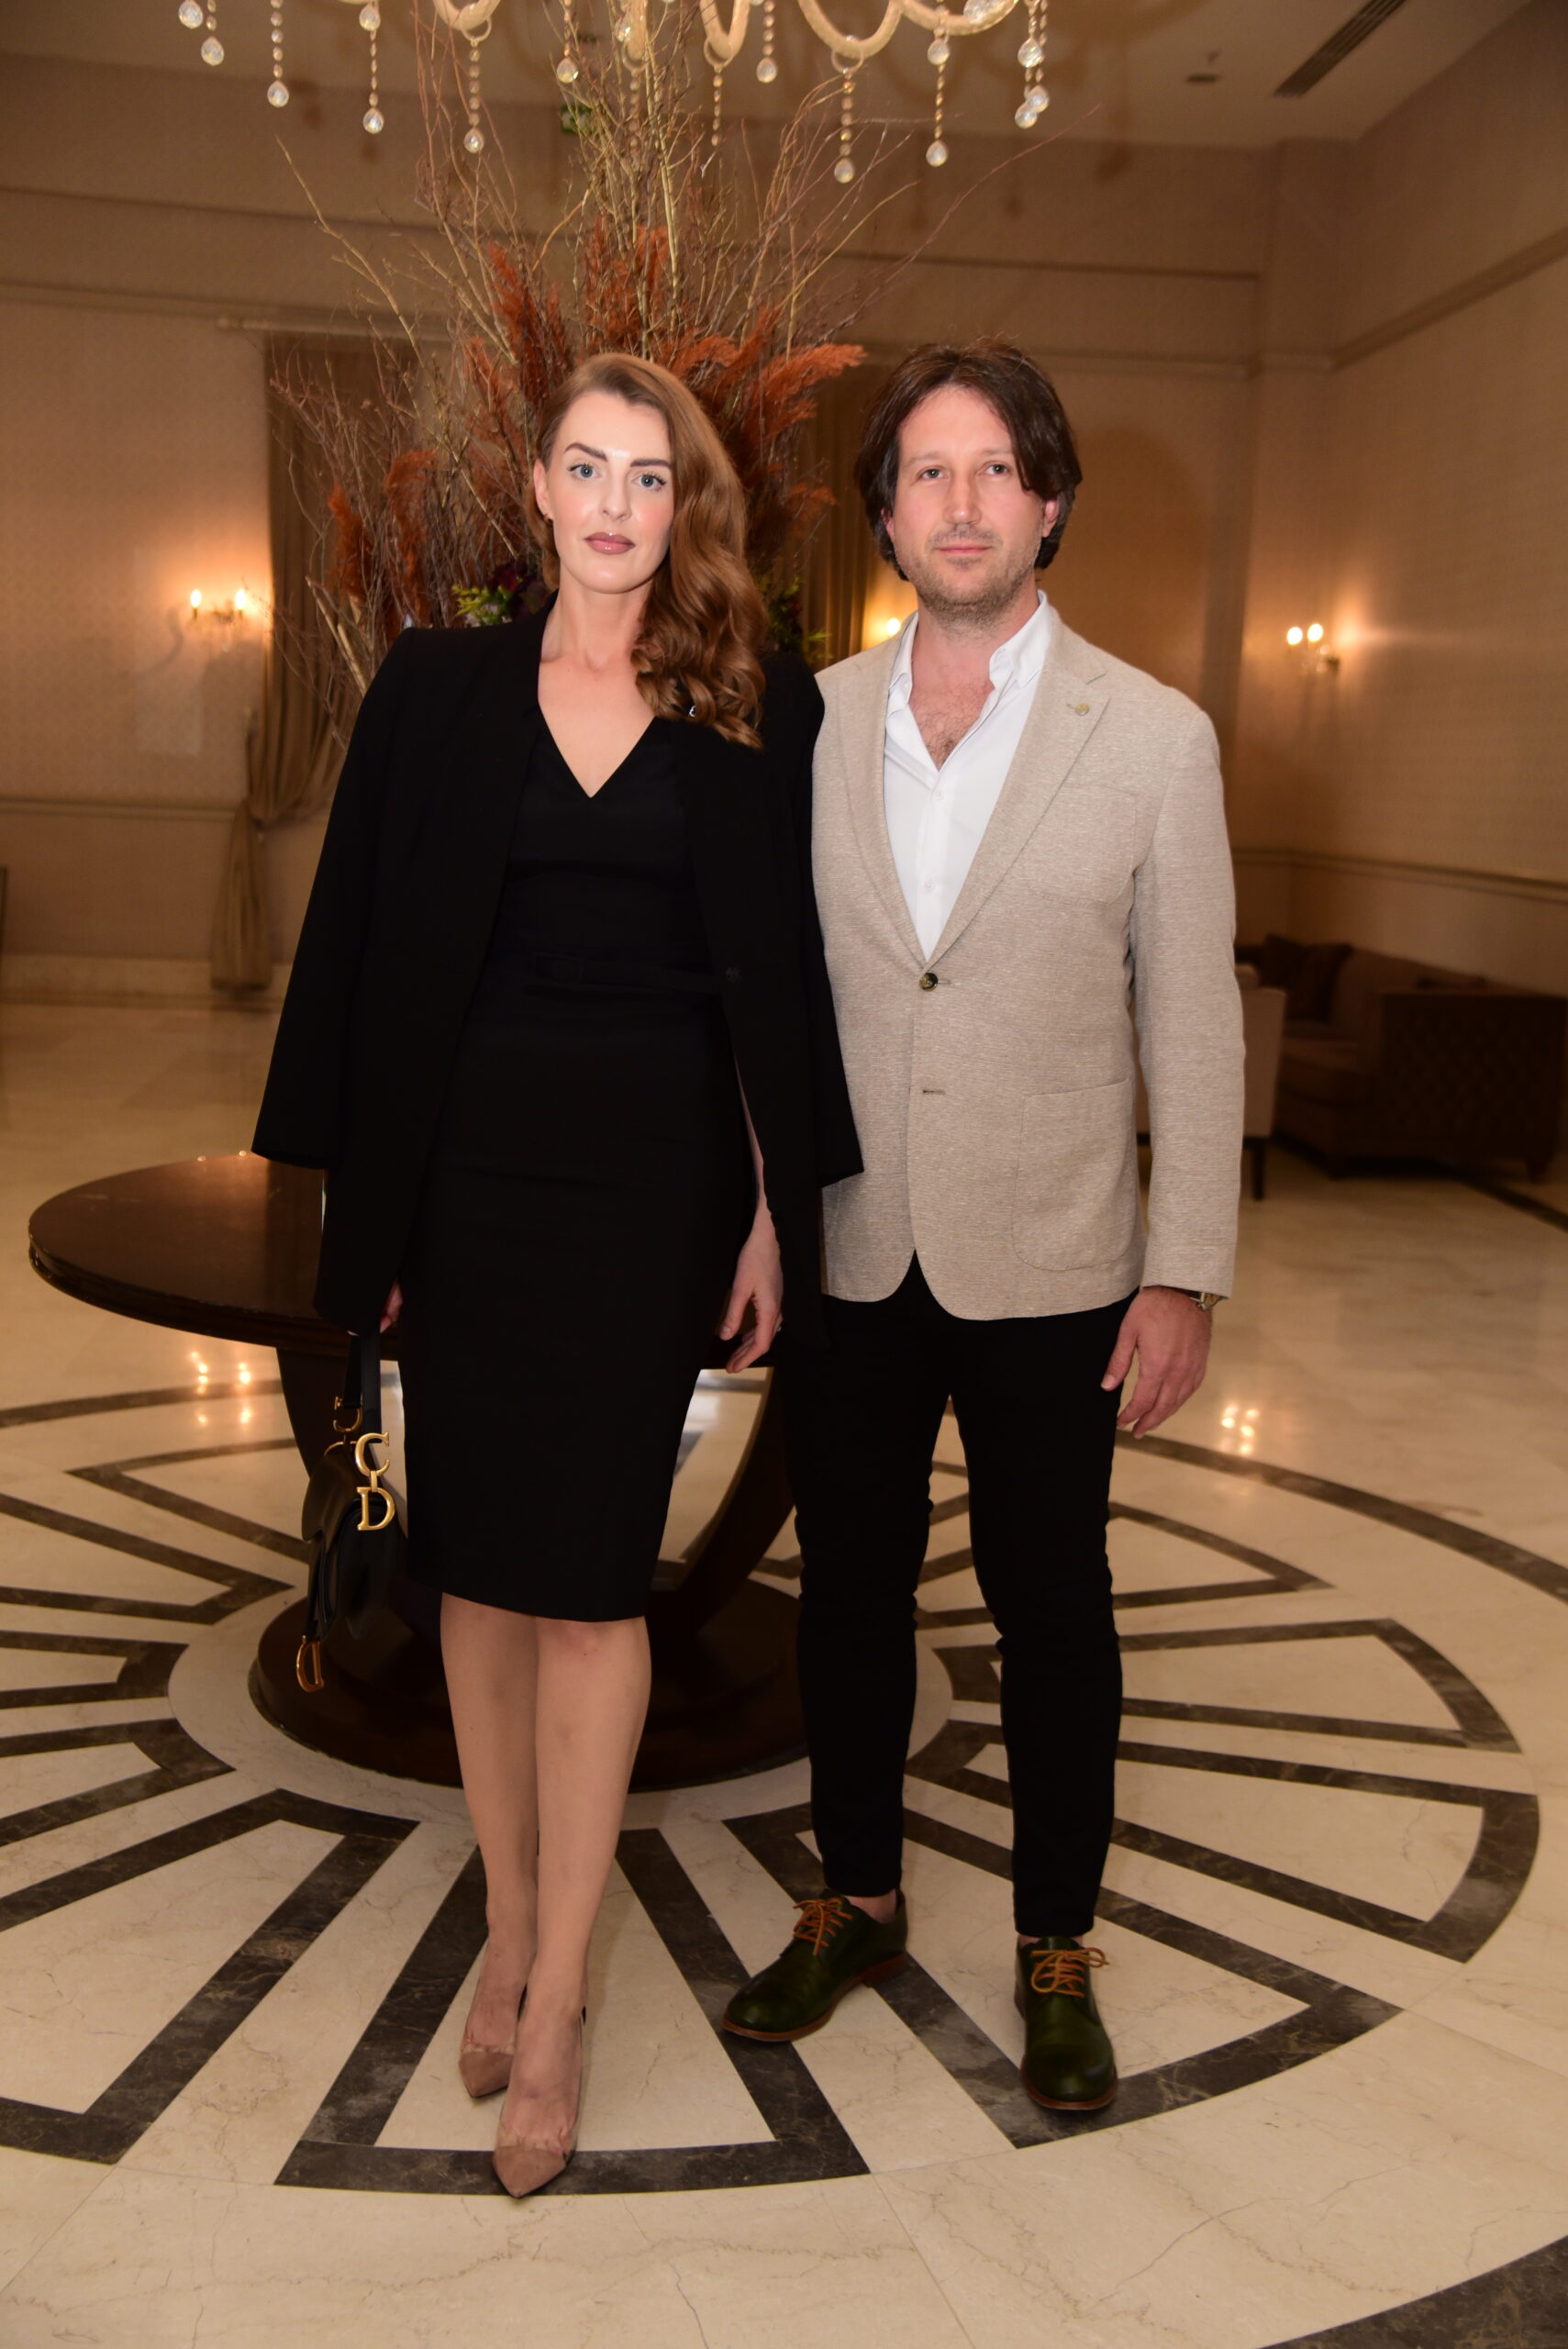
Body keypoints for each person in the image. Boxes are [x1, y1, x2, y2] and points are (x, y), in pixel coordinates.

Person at [253, 351, 859, 2195]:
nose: (614, 505)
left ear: (689, 502)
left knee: (594, 1589)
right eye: (586, 468)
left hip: (654, 1193)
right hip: (470, 1190)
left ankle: (568, 1989)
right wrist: (364, 1218)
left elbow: (781, 974)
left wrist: (771, 1211)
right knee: (476, 1580)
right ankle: (507, 1930)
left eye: (648, 476)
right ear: (535, 489)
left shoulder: (756, 698)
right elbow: (354, 942)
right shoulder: (435, 687)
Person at [723, 340, 1243, 2112]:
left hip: (1057, 1261)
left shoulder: (1153, 737)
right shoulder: (805, 722)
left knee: (1053, 1610)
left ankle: (1055, 1942)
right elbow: (763, 993)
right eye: (926, 473)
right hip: (854, 1245)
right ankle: (857, 1898)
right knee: (846, 1596)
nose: (961, 503)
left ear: (1049, 503)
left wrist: (1183, 1270)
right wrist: (753, 1215)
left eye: (994, 470)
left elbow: (1192, 1023)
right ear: (883, 516)